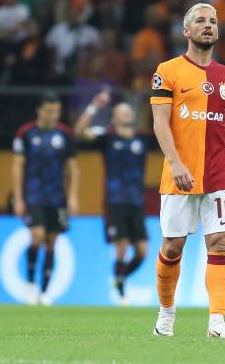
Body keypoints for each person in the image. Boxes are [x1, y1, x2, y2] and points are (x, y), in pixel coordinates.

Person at [150, 3, 225, 338]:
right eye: (201, 21)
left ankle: (217, 322)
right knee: (173, 246)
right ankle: (166, 314)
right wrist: (175, 163)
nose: (208, 26)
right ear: (186, 31)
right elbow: (160, 123)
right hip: (180, 176)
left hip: (218, 175)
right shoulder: (168, 71)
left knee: (220, 244)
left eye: (213, 22)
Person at [74, 89, 148, 304]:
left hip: (136, 201)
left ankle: (120, 277)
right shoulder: (106, 137)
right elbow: (79, 132)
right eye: (121, 112)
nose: (126, 114)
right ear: (114, 117)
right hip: (115, 201)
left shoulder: (142, 139)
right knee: (122, 247)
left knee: (142, 252)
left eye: (128, 111)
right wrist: (94, 105)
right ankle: (122, 295)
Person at [12, 92, 79, 305]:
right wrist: (18, 198)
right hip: (33, 194)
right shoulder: (25, 133)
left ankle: (45, 291)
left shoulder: (65, 135)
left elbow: (73, 168)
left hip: (57, 196)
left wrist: (73, 196)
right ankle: (30, 284)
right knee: (37, 236)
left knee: (52, 242)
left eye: (56, 111)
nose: (53, 115)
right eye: (49, 111)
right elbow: (17, 165)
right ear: (39, 110)